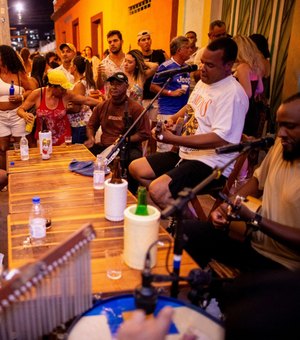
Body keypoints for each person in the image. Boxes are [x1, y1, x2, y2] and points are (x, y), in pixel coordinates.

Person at [183, 92, 300, 275]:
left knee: (237, 295)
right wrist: (226, 207)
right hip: (254, 243)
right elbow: (256, 181)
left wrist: (256, 220)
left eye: (290, 126)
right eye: (280, 125)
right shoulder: (281, 145)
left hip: (285, 265)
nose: (281, 133)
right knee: (189, 232)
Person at [129, 37, 248, 212]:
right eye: (202, 63)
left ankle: (188, 224)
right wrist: (173, 119)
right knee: (136, 168)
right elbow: (190, 106)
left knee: (157, 189)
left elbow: (220, 139)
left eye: (210, 65)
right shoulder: (204, 82)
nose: (202, 69)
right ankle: (181, 209)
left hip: (211, 164)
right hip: (186, 154)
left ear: (228, 66)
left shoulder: (233, 94)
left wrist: (174, 139)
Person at [85, 72, 150, 194]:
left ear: (126, 86)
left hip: (129, 147)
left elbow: (145, 133)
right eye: (112, 84)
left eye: (118, 84)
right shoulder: (102, 106)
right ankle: (94, 188)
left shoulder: (136, 108)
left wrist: (125, 139)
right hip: (106, 147)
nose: (114, 87)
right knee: (86, 155)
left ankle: (131, 193)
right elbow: (91, 125)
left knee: (134, 160)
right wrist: (91, 138)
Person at [17, 69, 100, 146]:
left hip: (64, 139)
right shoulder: (38, 94)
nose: (64, 90)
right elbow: (20, 110)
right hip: (43, 138)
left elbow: (86, 100)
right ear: (53, 87)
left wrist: (104, 103)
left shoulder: (66, 94)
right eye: (62, 88)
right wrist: (24, 115)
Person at [150, 36, 192, 152]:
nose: (191, 50)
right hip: (168, 113)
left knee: (178, 150)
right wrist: (170, 92)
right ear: (179, 50)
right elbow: (153, 86)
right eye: (187, 48)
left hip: (182, 114)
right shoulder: (166, 66)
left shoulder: (186, 67)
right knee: (166, 149)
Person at [0, 45, 34, 169]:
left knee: (22, 146)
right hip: (0, 117)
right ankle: (4, 179)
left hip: (18, 114)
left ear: (5, 57)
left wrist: (21, 97)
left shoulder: (18, 73)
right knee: (2, 148)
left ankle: (23, 173)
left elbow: (31, 90)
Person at [232, 35, 266, 137]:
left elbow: (247, 93)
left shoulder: (242, 67)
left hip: (243, 111)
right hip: (252, 110)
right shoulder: (254, 66)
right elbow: (260, 89)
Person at [67, 55, 97, 143]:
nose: (70, 67)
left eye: (71, 64)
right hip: (82, 123)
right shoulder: (84, 81)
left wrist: (62, 109)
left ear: (74, 67)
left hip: (80, 124)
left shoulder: (79, 84)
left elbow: (76, 107)